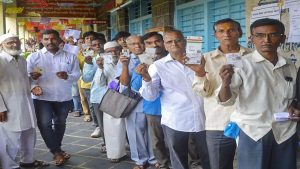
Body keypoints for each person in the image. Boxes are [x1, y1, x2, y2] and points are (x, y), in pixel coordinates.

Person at [218, 18, 298, 169]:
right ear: (251, 39)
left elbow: (292, 96)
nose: (266, 40)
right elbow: (225, 100)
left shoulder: (290, 66)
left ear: (283, 38)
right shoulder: (241, 64)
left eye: (273, 35)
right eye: (260, 35)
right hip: (253, 132)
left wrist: (294, 105)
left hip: (285, 131)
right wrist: (225, 83)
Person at [139, 29, 210, 169]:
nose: (174, 44)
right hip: (176, 119)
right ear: (164, 45)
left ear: (184, 42)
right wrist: (146, 79)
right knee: (178, 158)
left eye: (177, 40)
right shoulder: (157, 66)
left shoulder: (201, 60)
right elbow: (151, 96)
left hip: (204, 117)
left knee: (207, 156)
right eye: (169, 41)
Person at [191, 18, 252, 169]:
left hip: (250, 121)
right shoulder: (205, 59)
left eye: (231, 30)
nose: (227, 34)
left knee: (252, 164)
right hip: (218, 122)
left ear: (239, 32)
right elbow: (203, 93)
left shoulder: (252, 56)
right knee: (219, 165)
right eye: (221, 31)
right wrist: (200, 74)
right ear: (215, 35)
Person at [27, 29, 80, 166]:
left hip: (63, 96)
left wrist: (67, 76)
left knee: (60, 123)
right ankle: (56, 152)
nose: (49, 42)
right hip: (41, 97)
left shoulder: (70, 56)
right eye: (46, 39)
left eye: (53, 38)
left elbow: (76, 75)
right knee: (44, 124)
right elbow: (26, 76)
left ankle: (58, 149)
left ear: (59, 39)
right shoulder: (34, 57)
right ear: (42, 40)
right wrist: (33, 82)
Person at [0, 33, 48, 169]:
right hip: (8, 107)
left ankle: (28, 161)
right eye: (10, 42)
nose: (14, 44)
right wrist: (0, 108)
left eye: (16, 41)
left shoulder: (21, 59)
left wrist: (33, 86)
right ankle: (8, 166)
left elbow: (24, 79)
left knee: (28, 134)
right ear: (1, 46)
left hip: (26, 104)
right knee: (10, 139)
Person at [117, 35, 156, 169]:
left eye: (140, 43)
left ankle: (153, 158)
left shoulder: (153, 56)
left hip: (153, 99)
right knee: (135, 131)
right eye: (133, 44)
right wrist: (124, 66)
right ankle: (140, 160)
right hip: (134, 101)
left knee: (152, 131)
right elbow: (123, 84)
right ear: (127, 46)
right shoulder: (125, 59)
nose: (137, 46)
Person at [136, 32, 170, 169]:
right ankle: (163, 163)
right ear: (144, 46)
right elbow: (137, 87)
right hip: (153, 107)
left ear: (164, 42)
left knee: (176, 140)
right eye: (149, 43)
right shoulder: (142, 62)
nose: (154, 45)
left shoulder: (175, 58)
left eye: (158, 41)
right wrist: (143, 73)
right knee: (157, 140)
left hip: (175, 107)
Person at [83, 37, 106, 138]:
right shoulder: (91, 60)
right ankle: (106, 144)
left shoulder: (114, 57)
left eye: (100, 44)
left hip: (114, 95)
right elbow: (87, 78)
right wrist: (89, 65)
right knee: (102, 123)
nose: (98, 46)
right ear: (91, 47)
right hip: (98, 95)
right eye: (94, 45)